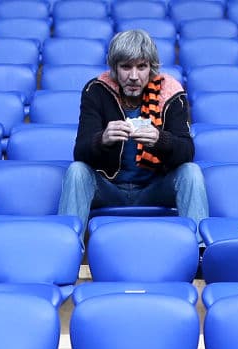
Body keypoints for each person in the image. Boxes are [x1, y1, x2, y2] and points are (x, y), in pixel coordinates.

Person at [57, 29, 209, 232]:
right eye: (126, 67)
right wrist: (102, 139)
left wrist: (159, 139)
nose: (134, 76)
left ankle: (199, 251)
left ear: (151, 68)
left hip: (154, 188)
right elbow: (80, 152)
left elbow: (187, 152)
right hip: (109, 189)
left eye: (142, 66)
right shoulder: (96, 90)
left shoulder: (171, 92)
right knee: (76, 171)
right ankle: (65, 247)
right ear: (114, 68)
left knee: (192, 172)